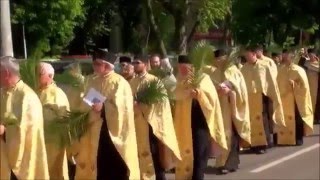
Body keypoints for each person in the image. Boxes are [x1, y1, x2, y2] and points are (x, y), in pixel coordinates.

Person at [73, 49, 140, 180]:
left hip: (112, 134)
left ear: (107, 65)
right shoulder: (93, 81)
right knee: (98, 167)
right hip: (94, 131)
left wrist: (104, 108)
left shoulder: (119, 82)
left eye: (97, 64)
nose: (94, 66)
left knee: (113, 168)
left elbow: (123, 109)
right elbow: (85, 100)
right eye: (94, 63)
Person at [174, 55, 227, 180]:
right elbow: (177, 96)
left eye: (184, 67)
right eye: (179, 67)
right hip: (184, 123)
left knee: (200, 152)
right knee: (186, 152)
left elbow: (212, 100)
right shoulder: (179, 80)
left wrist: (198, 94)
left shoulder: (203, 78)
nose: (181, 70)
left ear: (191, 66)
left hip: (200, 121)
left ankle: (198, 177)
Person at [130, 55, 181, 180]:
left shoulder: (154, 81)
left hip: (151, 125)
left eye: (138, 62)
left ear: (146, 64)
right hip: (136, 125)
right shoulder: (132, 82)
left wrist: (142, 105)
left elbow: (161, 103)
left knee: (155, 156)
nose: (135, 65)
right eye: (134, 63)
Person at [0, 56, 49, 180]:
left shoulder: (27, 97)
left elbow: (25, 130)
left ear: (6, 73)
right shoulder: (2, 92)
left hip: (21, 161)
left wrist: (4, 131)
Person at [203, 49, 251, 174]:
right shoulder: (213, 71)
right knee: (220, 134)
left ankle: (229, 163)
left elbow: (237, 87)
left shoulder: (232, 70)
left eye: (220, 59)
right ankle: (222, 161)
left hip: (231, 108)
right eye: (216, 59)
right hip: (218, 108)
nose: (218, 62)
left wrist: (228, 89)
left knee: (230, 135)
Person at [241, 47, 285, 154]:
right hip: (249, 97)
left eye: (248, 56)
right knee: (250, 120)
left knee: (262, 119)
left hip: (261, 96)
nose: (247, 58)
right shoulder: (244, 68)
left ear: (254, 54)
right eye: (245, 56)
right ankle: (253, 144)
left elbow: (270, 80)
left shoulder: (264, 65)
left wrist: (272, 94)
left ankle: (263, 143)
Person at [37, 62, 70, 179]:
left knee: (52, 170)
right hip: (38, 139)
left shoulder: (57, 94)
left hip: (53, 140)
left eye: (39, 74)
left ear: (50, 76)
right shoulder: (36, 91)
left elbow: (65, 120)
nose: (36, 76)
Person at [276, 50, 314, 145]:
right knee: (284, 118)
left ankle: (298, 138)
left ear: (291, 57)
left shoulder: (299, 70)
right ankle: (285, 138)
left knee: (297, 119)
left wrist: (294, 84)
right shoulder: (280, 70)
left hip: (296, 99)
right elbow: (277, 84)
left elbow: (304, 86)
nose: (285, 58)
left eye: (286, 56)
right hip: (284, 99)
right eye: (284, 56)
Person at [304, 49, 319, 124]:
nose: (310, 56)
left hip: (314, 85)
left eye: (312, 55)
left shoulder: (318, 64)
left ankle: (311, 117)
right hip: (306, 85)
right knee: (306, 101)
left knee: (313, 101)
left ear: (315, 55)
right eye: (309, 55)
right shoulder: (306, 63)